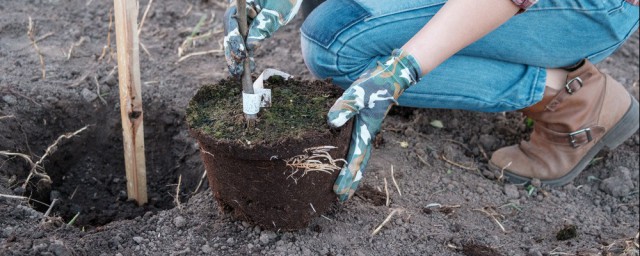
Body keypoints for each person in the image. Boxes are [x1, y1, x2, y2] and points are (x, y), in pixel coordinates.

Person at [223, 0, 640, 201]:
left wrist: (401, 71)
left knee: (334, 44)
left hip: (584, 8)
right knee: (333, 14)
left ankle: (568, 96)